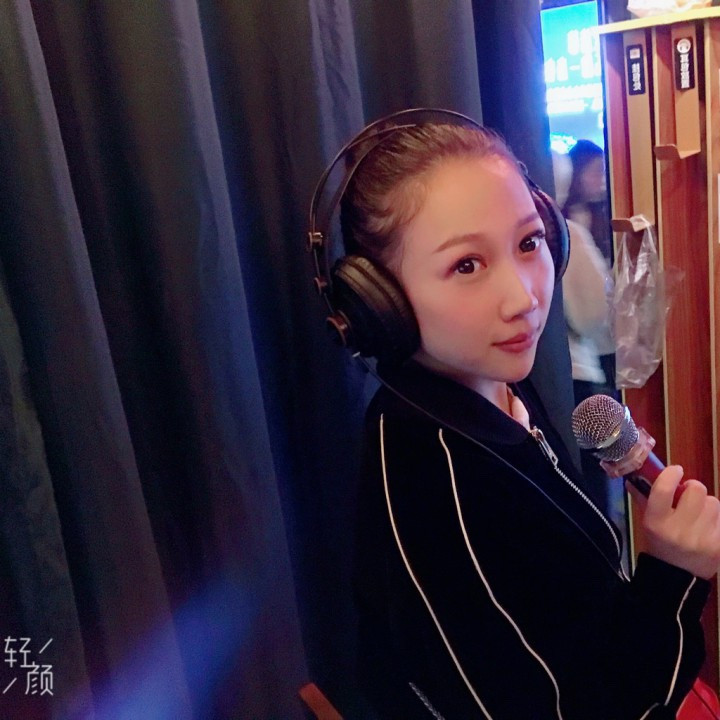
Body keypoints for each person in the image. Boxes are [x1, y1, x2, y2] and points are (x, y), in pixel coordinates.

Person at [320, 117, 719, 719]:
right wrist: (675, 575)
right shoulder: (437, 479)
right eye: (466, 265)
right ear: (379, 303)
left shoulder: (495, 383)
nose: (524, 298)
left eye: (529, 243)